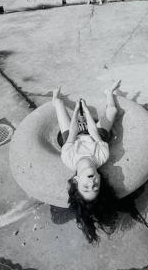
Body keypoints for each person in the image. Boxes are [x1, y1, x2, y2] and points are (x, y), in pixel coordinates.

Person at [52, 81, 121, 243]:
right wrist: (85, 111)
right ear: (100, 179)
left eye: (86, 187)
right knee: (113, 110)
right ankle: (108, 91)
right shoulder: (102, 156)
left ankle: (55, 97)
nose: (91, 183)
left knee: (59, 104)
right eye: (95, 186)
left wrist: (77, 110)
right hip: (94, 137)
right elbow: (92, 130)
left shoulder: (67, 157)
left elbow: (73, 131)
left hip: (73, 139)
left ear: (76, 180)